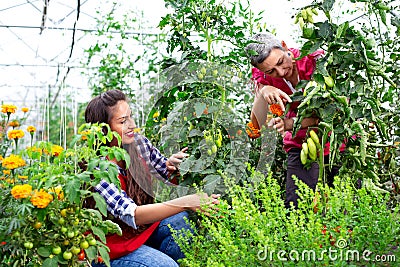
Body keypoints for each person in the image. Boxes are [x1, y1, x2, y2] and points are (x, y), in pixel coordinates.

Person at [85, 89, 220, 267]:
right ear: (104, 129)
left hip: (137, 234)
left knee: (181, 222)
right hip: (109, 248)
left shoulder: (138, 144)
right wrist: (186, 201)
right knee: (164, 265)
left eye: (130, 117)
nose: (132, 125)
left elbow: (165, 171)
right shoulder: (97, 167)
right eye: (123, 121)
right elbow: (132, 214)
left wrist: (173, 165)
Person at [245, 33, 338, 209]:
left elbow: (331, 112)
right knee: (297, 208)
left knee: (345, 206)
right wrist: (264, 90)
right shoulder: (263, 76)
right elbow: (256, 125)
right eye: (270, 71)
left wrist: (290, 124)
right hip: (300, 146)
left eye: (280, 62)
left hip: (336, 143)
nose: (280, 73)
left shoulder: (314, 60)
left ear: (284, 46)